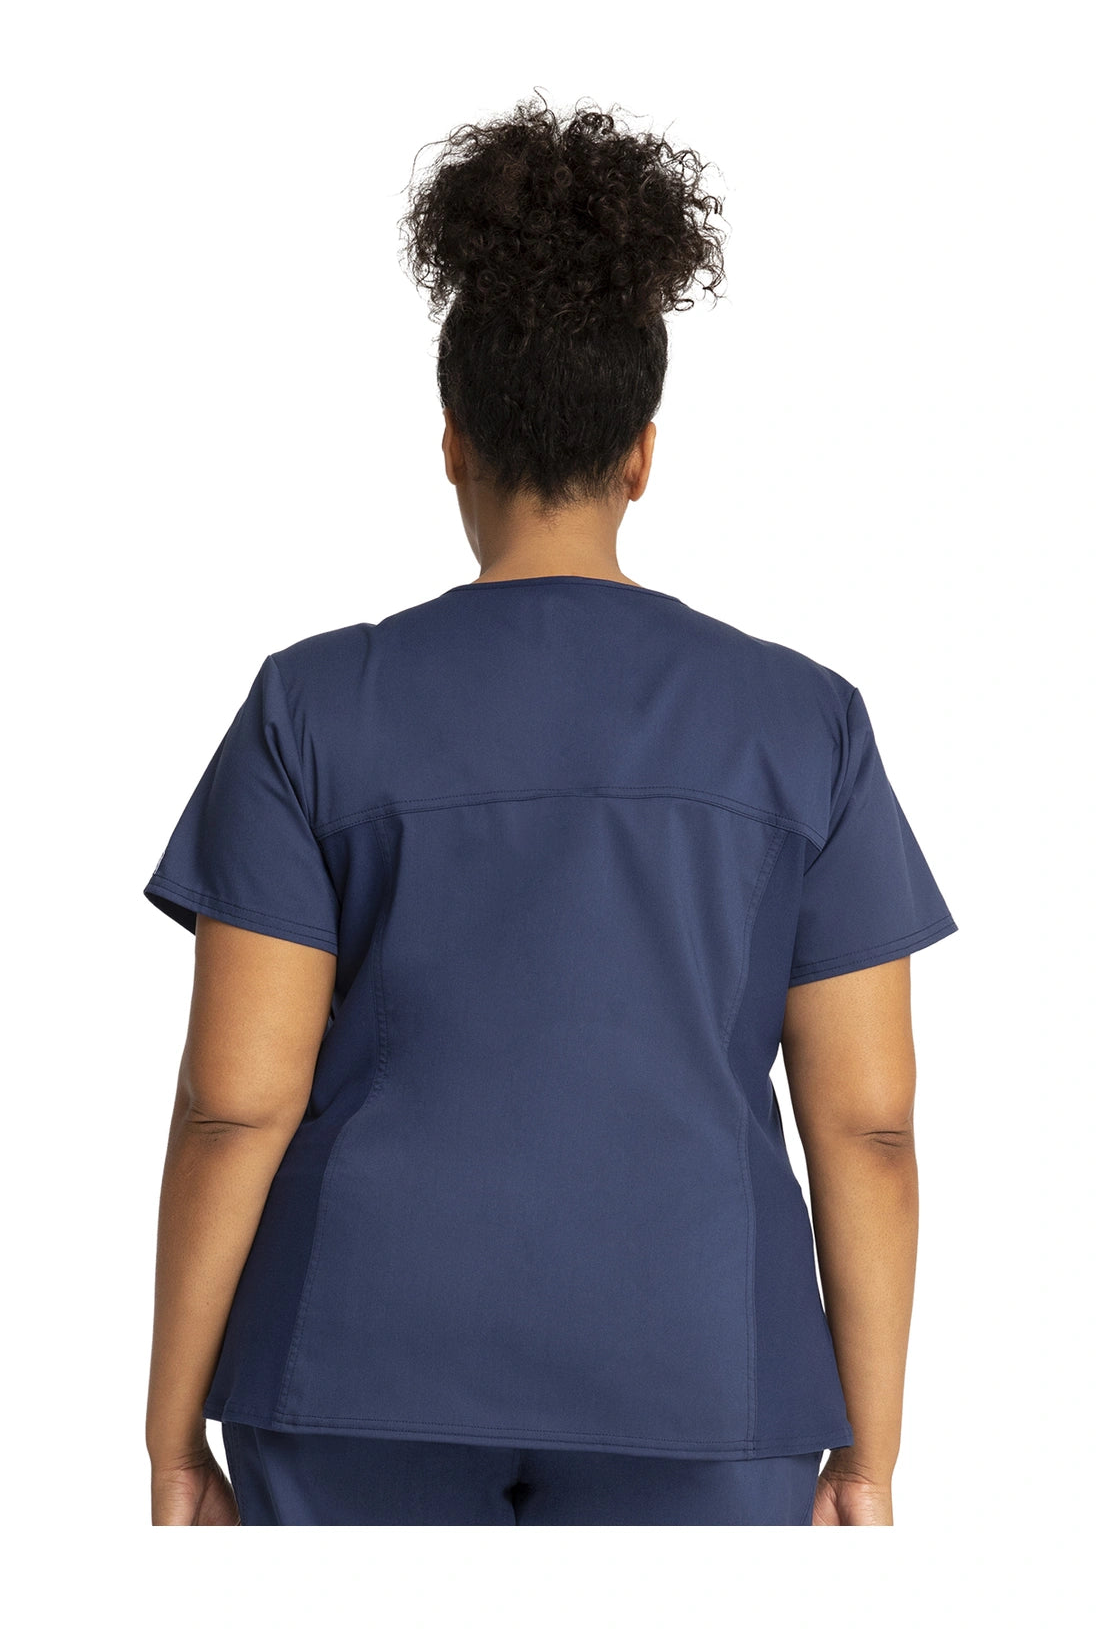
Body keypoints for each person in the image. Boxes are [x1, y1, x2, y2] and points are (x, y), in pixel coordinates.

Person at [143, 94, 958, 1527]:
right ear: (643, 452)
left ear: (453, 443)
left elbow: (234, 1099)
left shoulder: (312, 706)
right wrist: (871, 1457)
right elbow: (870, 1123)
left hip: (352, 1362)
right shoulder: (805, 721)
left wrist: (168, 1435)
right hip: (708, 1372)